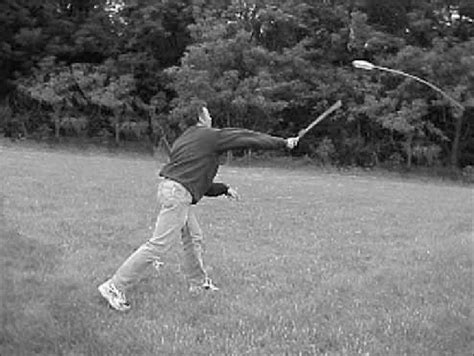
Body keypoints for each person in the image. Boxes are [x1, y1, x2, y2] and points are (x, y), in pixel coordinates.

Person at [98, 106, 300, 311]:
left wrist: (223, 189)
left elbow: (195, 181)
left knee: (193, 237)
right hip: (178, 194)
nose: (211, 116)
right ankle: (114, 286)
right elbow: (246, 136)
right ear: (201, 118)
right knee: (157, 246)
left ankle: (198, 284)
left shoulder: (184, 140)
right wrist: (282, 143)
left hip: (174, 190)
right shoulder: (208, 136)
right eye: (208, 113)